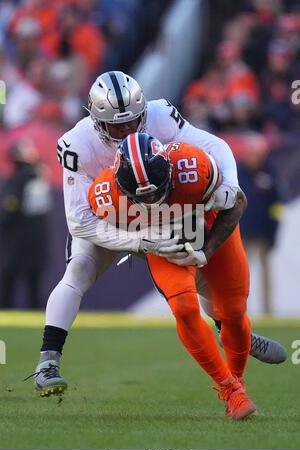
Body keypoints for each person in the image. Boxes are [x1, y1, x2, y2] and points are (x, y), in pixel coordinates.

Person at [30, 71, 286, 397]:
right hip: (110, 216)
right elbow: (80, 222)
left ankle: (235, 333)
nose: (126, 133)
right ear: (96, 121)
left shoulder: (161, 114)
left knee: (202, 285)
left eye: (132, 123)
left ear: (143, 114)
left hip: (161, 210)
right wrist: (139, 241)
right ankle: (48, 360)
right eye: (116, 127)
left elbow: (214, 144)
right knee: (78, 270)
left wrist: (230, 185)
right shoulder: (77, 144)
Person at [88, 132, 258, 419]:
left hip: (210, 231)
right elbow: (95, 231)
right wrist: (144, 242)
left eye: (156, 191)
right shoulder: (105, 194)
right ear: (120, 185)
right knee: (183, 306)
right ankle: (231, 390)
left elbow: (237, 202)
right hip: (164, 246)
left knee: (233, 311)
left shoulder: (193, 166)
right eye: (142, 197)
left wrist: (206, 250)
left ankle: (238, 379)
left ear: (169, 170)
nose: (152, 199)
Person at [0, 139, 52, 309]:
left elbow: (11, 205)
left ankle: (6, 308)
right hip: (38, 235)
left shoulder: (18, 178)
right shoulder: (40, 175)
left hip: (16, 236)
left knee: (8, 278)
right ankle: (36, 309)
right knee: (34, 281)